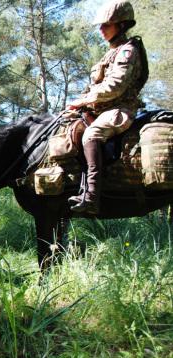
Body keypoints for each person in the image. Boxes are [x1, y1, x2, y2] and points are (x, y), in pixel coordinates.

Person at [67, 0, 148, 215]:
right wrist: (77, 104)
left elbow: (115, 86)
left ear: (121, 25)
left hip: (120, 110)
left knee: (91, 136)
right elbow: (96, 86)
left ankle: (92, 197)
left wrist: (84, 101)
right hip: (102, 110)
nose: (101, 30)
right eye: (100, 25)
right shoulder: (111, 52)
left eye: (106, 25)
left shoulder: (127, 51)